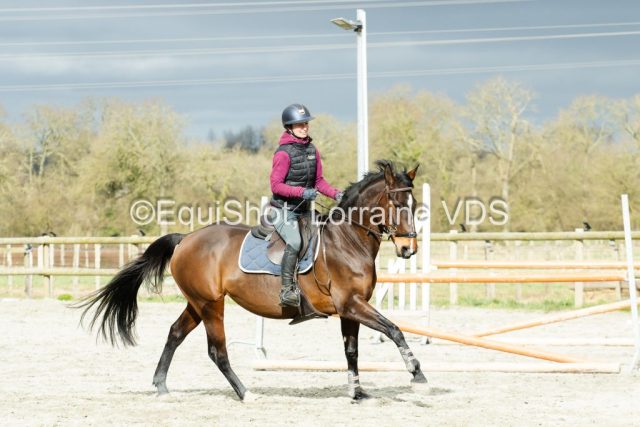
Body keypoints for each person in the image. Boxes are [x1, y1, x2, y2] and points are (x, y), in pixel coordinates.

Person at [270, 103, 343, 307]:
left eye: (306, 123)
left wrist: (336, 194)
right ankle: (286, 290)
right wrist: (302, 192)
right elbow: (276, 185)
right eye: (299, 124)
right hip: (283, 210)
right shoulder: (283, 153)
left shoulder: (312, 150)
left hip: (304, 211)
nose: (304, 127)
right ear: (289, 127)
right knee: (295, 242)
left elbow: (319, 181)